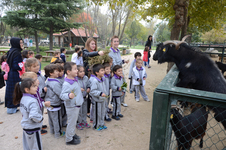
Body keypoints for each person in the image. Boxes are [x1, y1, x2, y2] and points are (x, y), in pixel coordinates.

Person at [13, 78, 50, 150]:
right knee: (36, 146)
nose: (37, 87)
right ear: (27, 90)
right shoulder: (32, 101)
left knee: (29, 144)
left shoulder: (23, 98)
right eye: (34, 86)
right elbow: (33, 115)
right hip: (33, 127)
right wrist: (40, 119)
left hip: (26, 125)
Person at [60, 62, 83, 145]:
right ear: (68, 72)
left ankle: (72, 134)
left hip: (76, 105)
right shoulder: (67, 84)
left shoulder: (74, 80)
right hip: (72, 106)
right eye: (75, 69)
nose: (77, 70)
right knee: (71, 122)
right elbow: (62, 95)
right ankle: (69, 139)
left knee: (74, 121)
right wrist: (68, 96)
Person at [25, 58, 48, 135]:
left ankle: (40, 124)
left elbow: (41, 81)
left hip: (41, 96)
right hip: (36, 97)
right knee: (37, 112)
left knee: (41, 111)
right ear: (29, 68)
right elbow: (33, 88)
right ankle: (38, 128)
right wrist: (42, 90)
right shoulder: (30, 77)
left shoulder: (38, 73)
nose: (37, 67)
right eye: (34, 66)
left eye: (37, 65)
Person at [44, 64, 65, 138]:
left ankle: (52, 130)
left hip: (49, 102)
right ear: (51, 73)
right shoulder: (56, 83)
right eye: (56, 71)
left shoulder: (47, 81)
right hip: (55, 103)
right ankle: (58, 133)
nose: (58, 72)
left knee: (51, 118)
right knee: (57, 119)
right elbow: (60, 94)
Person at [108, 35, 129, 107]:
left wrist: (124, 61)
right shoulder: (110, 52)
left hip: (120, 71)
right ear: (111, 42)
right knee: (115, 87)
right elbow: (111, 63)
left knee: (124, 84)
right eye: (115, 41)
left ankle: (121, 100)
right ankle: (113, 102)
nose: (116, 43)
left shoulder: (118, 51)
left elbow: (118, 61)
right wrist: (112, 72)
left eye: (117, 41)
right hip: (115, 73)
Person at [5, 37, 23, 114]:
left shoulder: (11, 51)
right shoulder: (17, 53)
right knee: (15, 90)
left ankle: (11, 107)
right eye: (20, 43)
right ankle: (12, 108)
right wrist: (22, 66)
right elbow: (16, 66)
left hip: (11, 73)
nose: (22, 44)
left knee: (11, 90)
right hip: (15, 74)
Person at [90, 64, 108, 131]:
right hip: (97, 100)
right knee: (97, 113)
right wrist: (100, 93)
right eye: (102, 70)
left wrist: (105, 94)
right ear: (97, 72)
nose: (103, 72)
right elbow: (92, 91)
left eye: (103, 70)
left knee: (102, 112)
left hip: (102, 99)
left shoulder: (103, 79)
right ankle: (96, 125)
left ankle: (101, 123)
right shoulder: (95, 81)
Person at [76, 65, 91, 130]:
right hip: (78, 98)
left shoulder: (86, 78)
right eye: (80, 71)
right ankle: (78, 123)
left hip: (84, 97)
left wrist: (88, 88)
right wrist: (79, 89)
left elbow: (88, 84)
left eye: (83, 71)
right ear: (76, 72)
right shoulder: (75, 79)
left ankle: (84, 121)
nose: (82, 73)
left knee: (84, 110)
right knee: (79, 111)